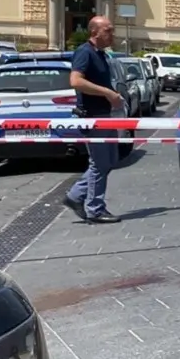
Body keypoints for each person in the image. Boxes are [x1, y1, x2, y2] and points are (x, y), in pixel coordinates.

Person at [63, 15, 125, 224]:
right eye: (108, 30)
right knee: (99, 164)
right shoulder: (85, 52)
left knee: (108, 161)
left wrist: (112, 95)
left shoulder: (101, 54)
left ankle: (75, 196)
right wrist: (107, 93)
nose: (112, 34)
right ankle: (95, 208)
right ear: (94, 32)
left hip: (105, 116)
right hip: (93, 117)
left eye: (112, 30)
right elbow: (76, 81)